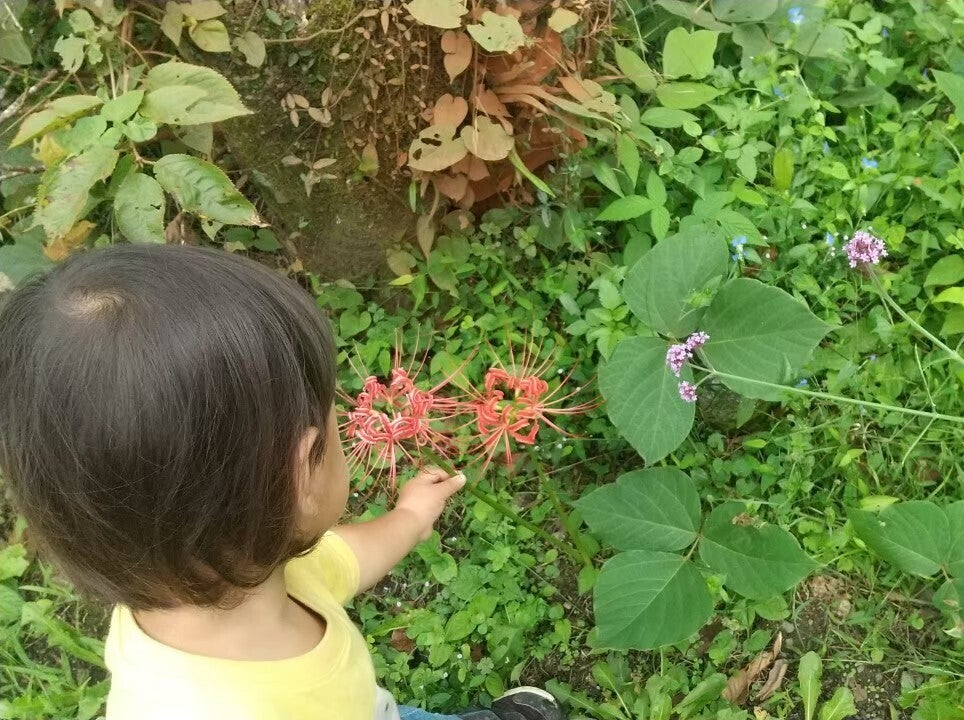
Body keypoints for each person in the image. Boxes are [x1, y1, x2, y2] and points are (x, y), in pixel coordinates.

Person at [0, 245, 564, 720]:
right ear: (302, 472)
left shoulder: (222, 570)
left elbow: (342, 560)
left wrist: (410, 518)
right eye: (334, 422)